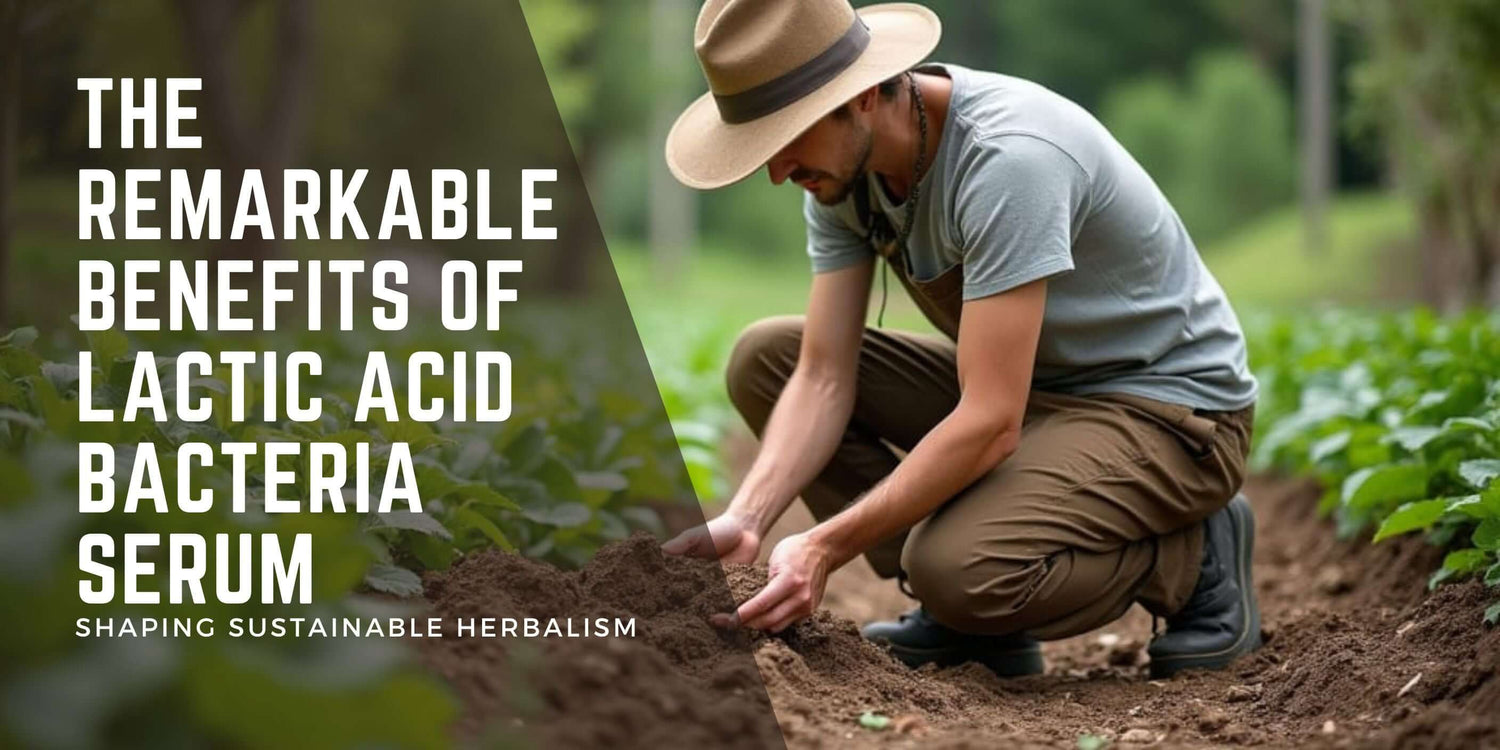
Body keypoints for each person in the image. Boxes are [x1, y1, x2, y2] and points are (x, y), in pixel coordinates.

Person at [659, 0, 1261, 680]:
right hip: (1034, 388)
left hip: (1166, 411)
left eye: (785, 137)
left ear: (857, 99)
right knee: (767, 359)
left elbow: (989, 420)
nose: (776, 171)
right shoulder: (839, 175)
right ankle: (981, 617)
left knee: (954, 570)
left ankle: (1194, 555)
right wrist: (749, 515)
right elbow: (823, 374)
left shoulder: (1010, 159)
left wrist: (825, 545)